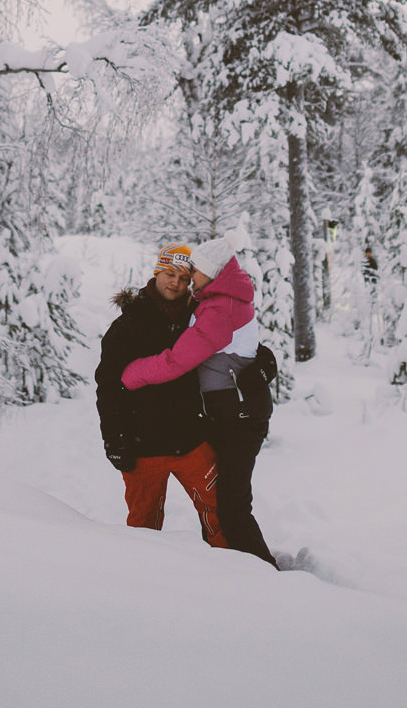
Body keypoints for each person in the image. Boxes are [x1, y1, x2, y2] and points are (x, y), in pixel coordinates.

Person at [120, 231, 277, 567]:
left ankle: (264, 573)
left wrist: (131, 374)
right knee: (223, 502)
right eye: (179, 271)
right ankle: (228, 570)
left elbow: (179, 361)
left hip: (240, 417)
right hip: (226, 414)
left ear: (214, 272)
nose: (188, 276)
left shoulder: (221, 306)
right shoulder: (213, 298)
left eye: (194, 270)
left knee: (231, 505)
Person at [95, 243, 228, 548]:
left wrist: (260, 360)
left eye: (183, 278)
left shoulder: (198, 316)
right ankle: (144, 587)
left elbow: (229, 342)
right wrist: (114, 439)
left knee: (222, 513)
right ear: (157, 272)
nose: (176, 283)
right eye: (170, 274)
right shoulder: (128, 324)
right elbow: (108, 385)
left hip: (193, 441)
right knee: (143, 529)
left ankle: (231, 575)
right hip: (144, 448)